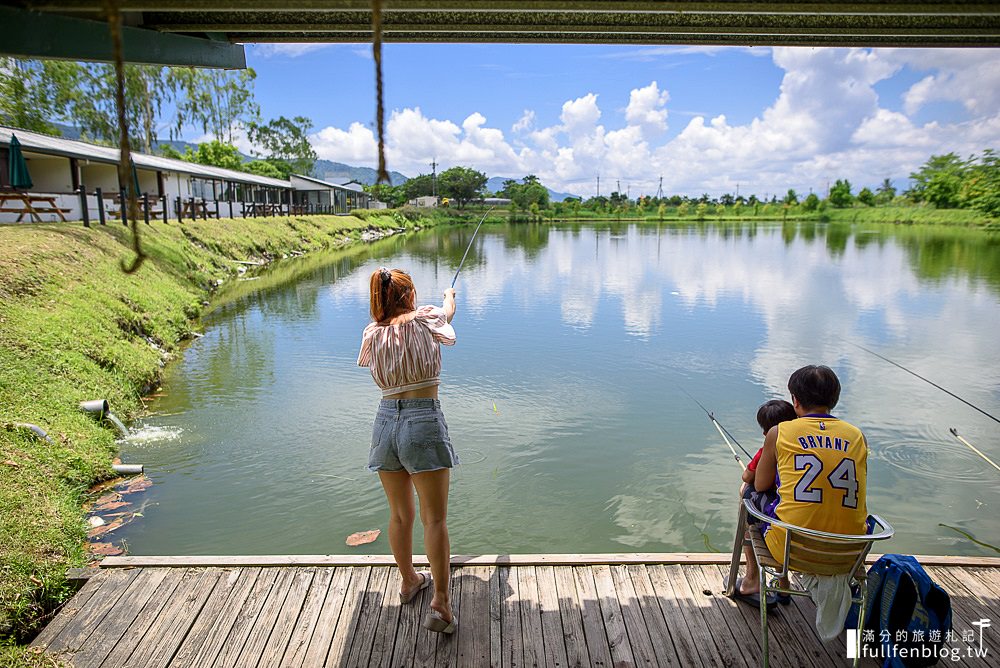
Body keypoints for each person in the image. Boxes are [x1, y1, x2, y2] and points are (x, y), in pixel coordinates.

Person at [357, 267, 460, 634]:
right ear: (410, 293)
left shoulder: (372, 333)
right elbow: (445, 317)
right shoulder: (427, 318)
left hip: (385, 422)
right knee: (435, 519)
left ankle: (408, 581)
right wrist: (449, 298)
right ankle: (442, 603)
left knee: (401, 516)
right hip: (422, 420)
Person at [734, 365, 868, 609]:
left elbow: (761, 484)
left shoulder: (779, 432)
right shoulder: (857, 436)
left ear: (795, 401)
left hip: (791, 550)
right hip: (850, 553)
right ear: (834, 399)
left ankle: (752, 581)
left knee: (748, 493)